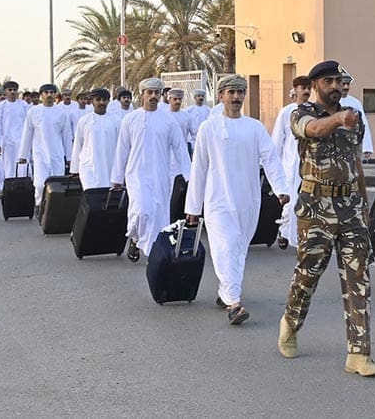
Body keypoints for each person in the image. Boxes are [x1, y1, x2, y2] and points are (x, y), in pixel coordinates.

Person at [277, 60, 375, 377]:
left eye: (339, 80)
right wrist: (337, 119)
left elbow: (355, 162)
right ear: (315, 85)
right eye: (329, 81)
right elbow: (314, 130)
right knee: (307, 275)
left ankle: (359, 354)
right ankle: (291, 322)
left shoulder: (354, 117)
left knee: (358, 278)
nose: (336, 86)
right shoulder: (301, 113)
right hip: (316, 207)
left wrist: (364, 206)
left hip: (350, 206)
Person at [185, 75, 289, 325]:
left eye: (240, 92)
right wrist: (193, 207)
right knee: (226, 246)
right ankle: (234, 303)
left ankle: (226, 292)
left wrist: (281, 188)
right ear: (221, 96)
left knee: (239, 249)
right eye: (231, 92)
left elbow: (270, 158)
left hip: (247, 201)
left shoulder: (254, 127)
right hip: (217, 201)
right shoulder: (208, 128)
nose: (236, 96)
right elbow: (199, 168)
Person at [111, 78, 191, 262]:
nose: (153, 96)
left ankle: (154, 253)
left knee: (158, 214)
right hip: (136, 174)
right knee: (140, 210)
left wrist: (189, 177)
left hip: (160, 175)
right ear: (142, 94)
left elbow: (180, 149)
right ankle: (135, 237)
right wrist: (117, 177)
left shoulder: (169, 121)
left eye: (156, 92)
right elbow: (122, 150)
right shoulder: (130, 119)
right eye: (150, 92)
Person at [17, 84, 74, 213]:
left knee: (57, 184)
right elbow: (27, 134)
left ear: (55, 95)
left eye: (51, 92)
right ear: (41, 95)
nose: (49, 95)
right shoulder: (33, 112)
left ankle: (56, 209)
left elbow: (66, 135)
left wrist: (69, 157)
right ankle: (39, 206)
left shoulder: (61, 112)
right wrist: (23, 155)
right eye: (46, 92)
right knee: (40, 183)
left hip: (57, 154)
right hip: (40, 154)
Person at [270, 75, 311, 249]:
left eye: (309, 88)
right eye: (303, 88)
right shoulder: (286, 112)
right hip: (289, 164)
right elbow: (277, 140)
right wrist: (274, 166)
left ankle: (302, 236)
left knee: (307, 201)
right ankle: (284, 231)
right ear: (296, 90)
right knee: (290, 201)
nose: (307, 91)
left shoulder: (314, 111)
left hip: (309, 164)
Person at [70, 89, 119, 190]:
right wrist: (75, 169)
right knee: (91, 194)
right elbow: (78, 144)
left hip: (110, 166)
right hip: (89, 168)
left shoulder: (116, 121)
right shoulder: (84, 121)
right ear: (92, 101)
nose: (101, 102)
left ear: (108, 101)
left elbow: (121, 146)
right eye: (98, 99)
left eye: (104, 100)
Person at [0, 81, 28, 197]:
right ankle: (7, 189)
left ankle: (22, 189)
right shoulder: (0, 106)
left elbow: (28, 125)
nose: (12, 92)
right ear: (5, 91)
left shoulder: (24, 106)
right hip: (7, 142)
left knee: (23, 166)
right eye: (10, 90)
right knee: (7, 166)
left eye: (14, 90)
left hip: (22, 141)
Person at [338, 68, 374, 159]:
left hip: (353, 144)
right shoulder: (332, 102)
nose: (346, 87)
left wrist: (366, 147)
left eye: (348, 84)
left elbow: (363, 124)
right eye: (343, 84)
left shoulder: (355, 103)